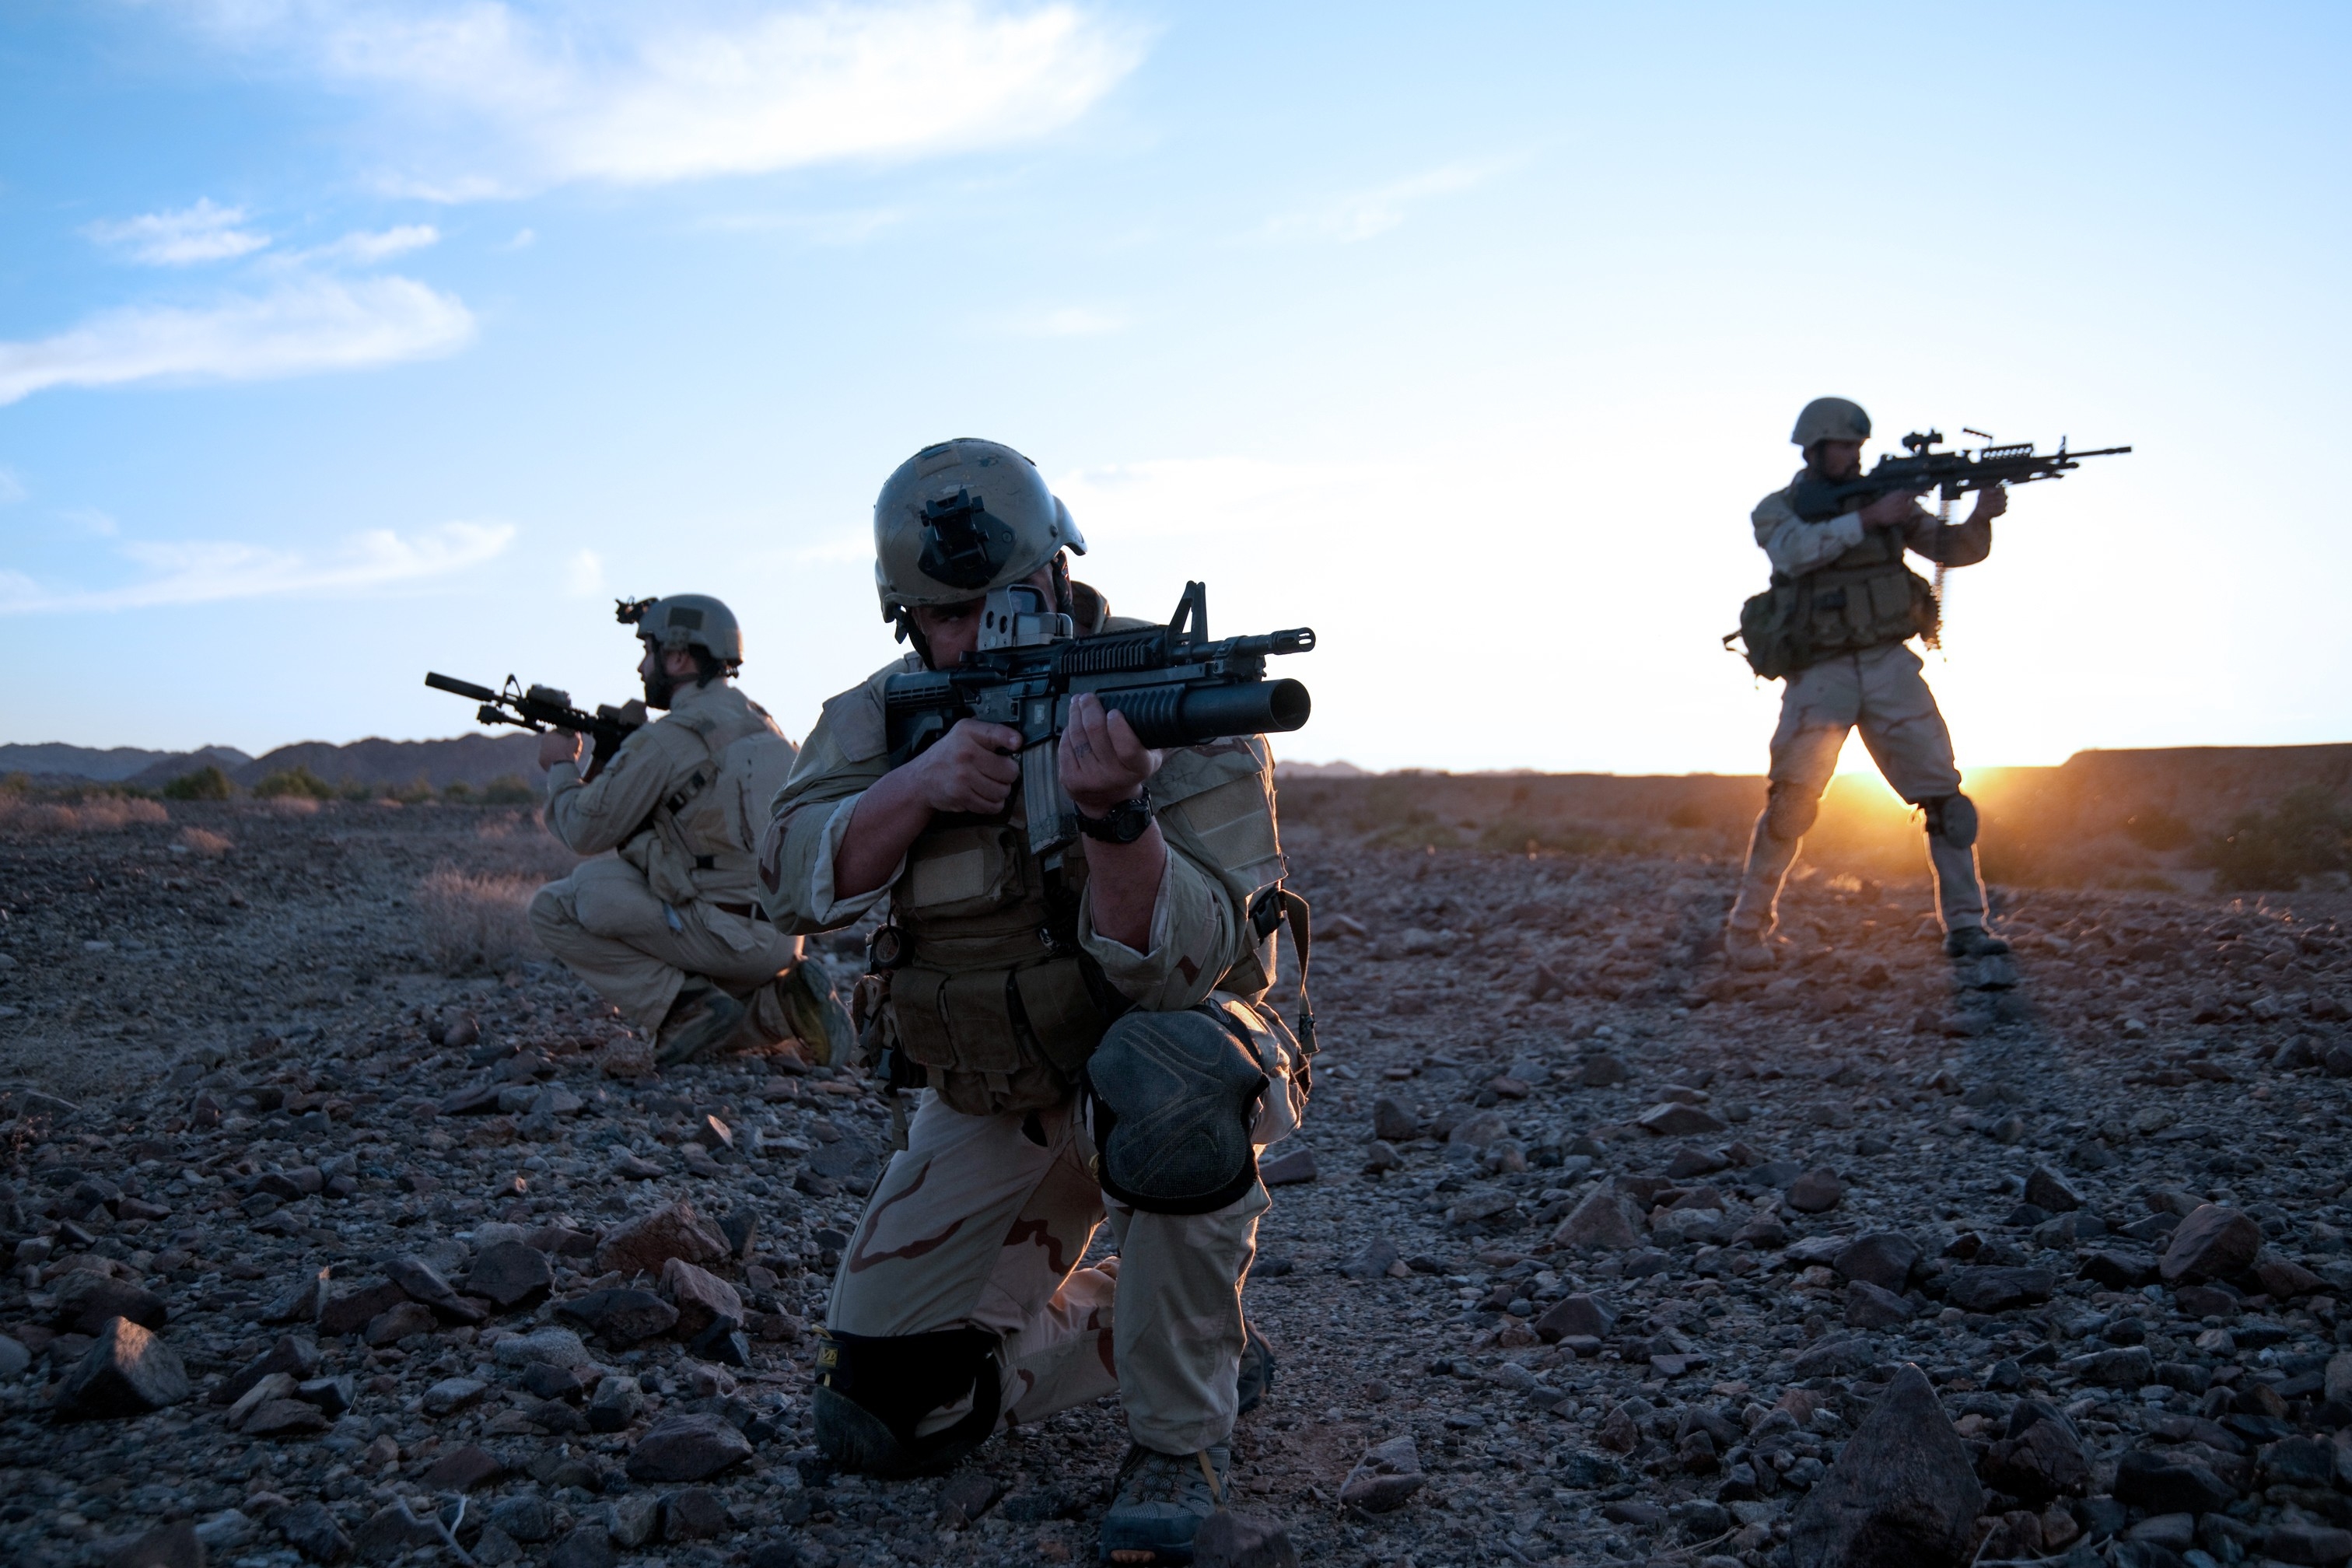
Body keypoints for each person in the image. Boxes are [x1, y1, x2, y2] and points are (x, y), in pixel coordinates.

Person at [757, 438, 1307, 1565]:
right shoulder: (881, 713)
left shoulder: (1169, 695)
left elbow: (1194, 966)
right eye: (944, 616)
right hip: (999, 1080)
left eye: (1000, 602)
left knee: (1167, 1070)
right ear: (906, 622)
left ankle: (1178, 1432)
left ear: (1057, 573)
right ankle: (1145, 1321)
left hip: (1165, 1057)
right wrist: (919, 786)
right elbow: (787, 877)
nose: (974, 634)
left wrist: (1116, 820)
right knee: (890, 1412)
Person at [1727, 397, 2012, 968]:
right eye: (1842, 446)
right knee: (1791, 805)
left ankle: (1966, 927)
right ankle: (1746, 930)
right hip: (1821, 670)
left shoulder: (1889, 504)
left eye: (1858, 446)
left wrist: (1982, 513)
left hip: (1888, 664)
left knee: (1946, 802)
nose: (1852, 455)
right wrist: (1868, 518)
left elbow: (1952, 550)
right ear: (1813, 449)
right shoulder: (1780, 508)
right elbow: (1793, 553)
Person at [529, 594, 842, 1065]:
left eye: (649, 651)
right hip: (782, 936)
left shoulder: (669, 739)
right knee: (679, 925)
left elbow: (583, 831)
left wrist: (560, 767)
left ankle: (683, 1008)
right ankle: (778, 1010)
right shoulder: (763, 723)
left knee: (560, 904)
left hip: (725, 936)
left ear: (677, 657)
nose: (641, 666)